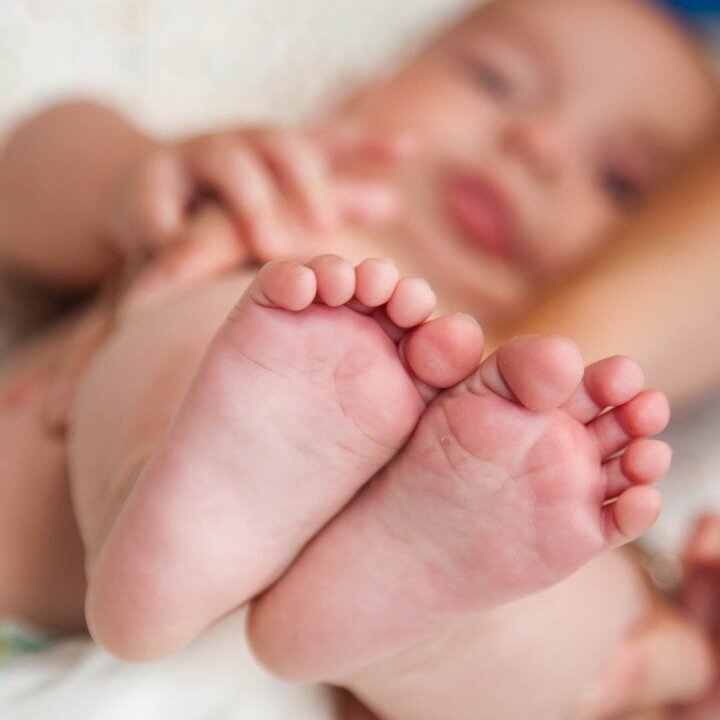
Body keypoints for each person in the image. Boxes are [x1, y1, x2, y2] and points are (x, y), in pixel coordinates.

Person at [1, 0, 719, 717]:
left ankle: (421, 632)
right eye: (496, 81)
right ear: (360, 91)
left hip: (311, 666)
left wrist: (670, 654)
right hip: (40, 574)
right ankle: (154, 505)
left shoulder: (528, 446)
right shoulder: (264, 207)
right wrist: (134, 178)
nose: (539, 145)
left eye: (620, 182)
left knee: (573, 557)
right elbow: (25, 171)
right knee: (278, 313)